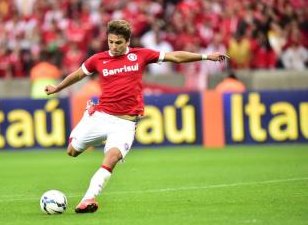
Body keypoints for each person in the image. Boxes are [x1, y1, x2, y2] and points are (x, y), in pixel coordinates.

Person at [45, 20, 228, 214]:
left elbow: (175, 57)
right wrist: (57, 88)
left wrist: (207, 56)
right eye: (110, 42)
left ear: (128, 41)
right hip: (100, 116)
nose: (114, 47)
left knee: (112, 157)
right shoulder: (98, 59)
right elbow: (78, 75)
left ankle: (88, 199)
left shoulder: (141, 55)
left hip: (125, 123)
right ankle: (93, 124)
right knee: (72, 151)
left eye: (118, 42)